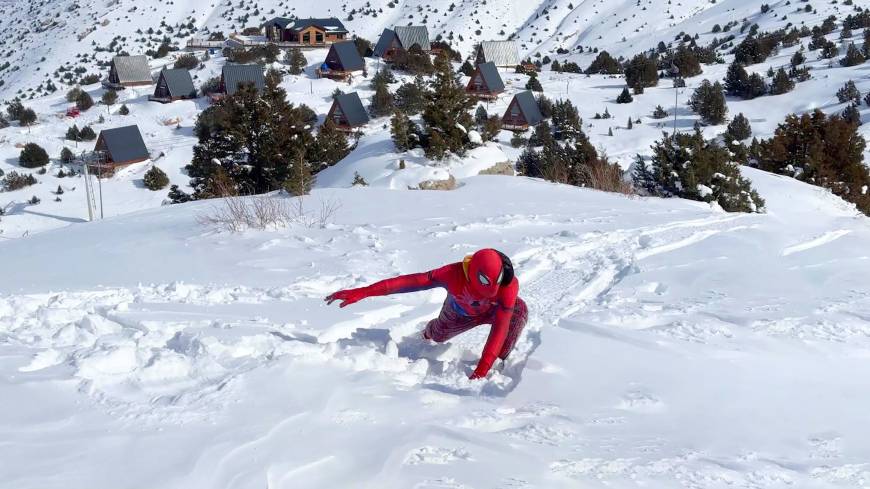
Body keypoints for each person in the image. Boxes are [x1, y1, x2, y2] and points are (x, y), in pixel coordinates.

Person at [325, 249, 528, 380]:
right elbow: (409, 282)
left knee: (519, 313)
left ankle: (501, 359)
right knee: (438, 334)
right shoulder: (451, 274)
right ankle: (428, 331)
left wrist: (484, 366)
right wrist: (363, 292)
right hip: (460, 312)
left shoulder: (509, 286)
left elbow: (501, 326)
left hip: (495, 311)